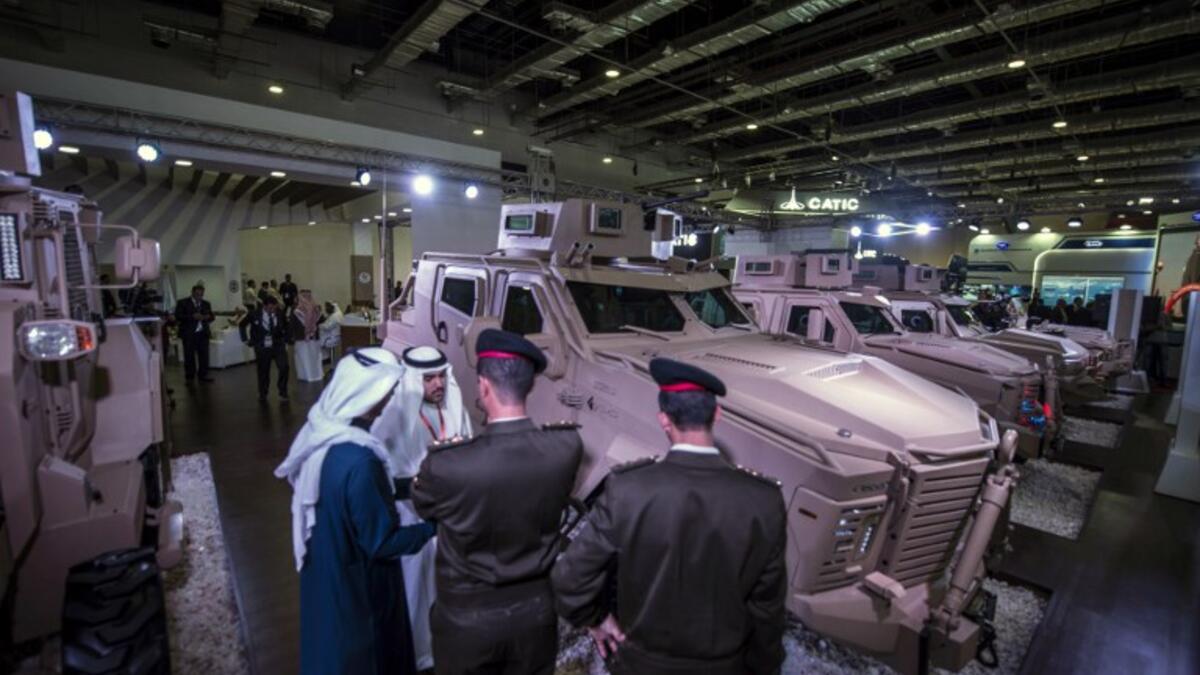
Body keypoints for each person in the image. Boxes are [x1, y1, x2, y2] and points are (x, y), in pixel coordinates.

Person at [552, 358, 788, 675]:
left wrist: (596, 618)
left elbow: (569, 577)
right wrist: (762, 665)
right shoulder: (763, 499)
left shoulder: (628, 489)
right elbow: (767, 606)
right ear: (716, 415)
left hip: (640, 664)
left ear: (664, 419)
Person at [412, 329, 582, 675]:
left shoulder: (448, 464)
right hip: (536, 617)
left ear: (484, 386)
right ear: (530, 387)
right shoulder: (566, 448)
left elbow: (424, 506)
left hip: (466, 621)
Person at [275, 347, 436, 675]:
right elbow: (382, 542)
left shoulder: (323, 430)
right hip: (359, 586)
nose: (387, 402)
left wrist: (407, 487)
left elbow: (355, 496)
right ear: (367, 394)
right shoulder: (361, 461)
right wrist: (434, 527)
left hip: (327, 568)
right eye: (385, 394)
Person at [371, 345, 473, 672]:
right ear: (414, 381)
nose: (438, 385)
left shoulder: (454, 407)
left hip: (450, 519)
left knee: (450, 586)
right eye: (428, 379)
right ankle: (418, 654)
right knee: (414, 589)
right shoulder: (392, 417)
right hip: (408, 517)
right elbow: (376, 476)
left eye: (441, 376)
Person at [239, 295, 291, 402]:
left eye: (274, 308)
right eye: (270, 308)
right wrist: (245, 339)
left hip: (278, 344)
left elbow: (287, 326)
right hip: (262, 345)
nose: (273, 311)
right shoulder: (254, 314)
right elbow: (242, 324)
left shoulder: (280, 313)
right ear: (264, 306)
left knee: (284, 367)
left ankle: (283, 391)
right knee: (263, 370)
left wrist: (286, 338)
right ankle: (263, 392)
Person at [174, 284, 215, 383]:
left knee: (204, 356)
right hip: (188, 334)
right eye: (197, 294)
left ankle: (203, 375)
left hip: (203, 333)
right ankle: (190, 377)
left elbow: (212, 316)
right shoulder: (182, 302)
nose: (199, 297)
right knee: (189, 356)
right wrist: (192, 317)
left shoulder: (206, 303)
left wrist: (207, 317)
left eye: (201, 295)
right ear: (192, 293)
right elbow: (178, 316)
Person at [292, 290, 325, 383]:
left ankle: (306, 375)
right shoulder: (316, 308)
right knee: (314, 357)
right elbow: (322, 321)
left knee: (304, 358)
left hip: (302, 338)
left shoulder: (297, 310)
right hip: (314, 337)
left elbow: (292, 324)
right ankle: (316, 374)